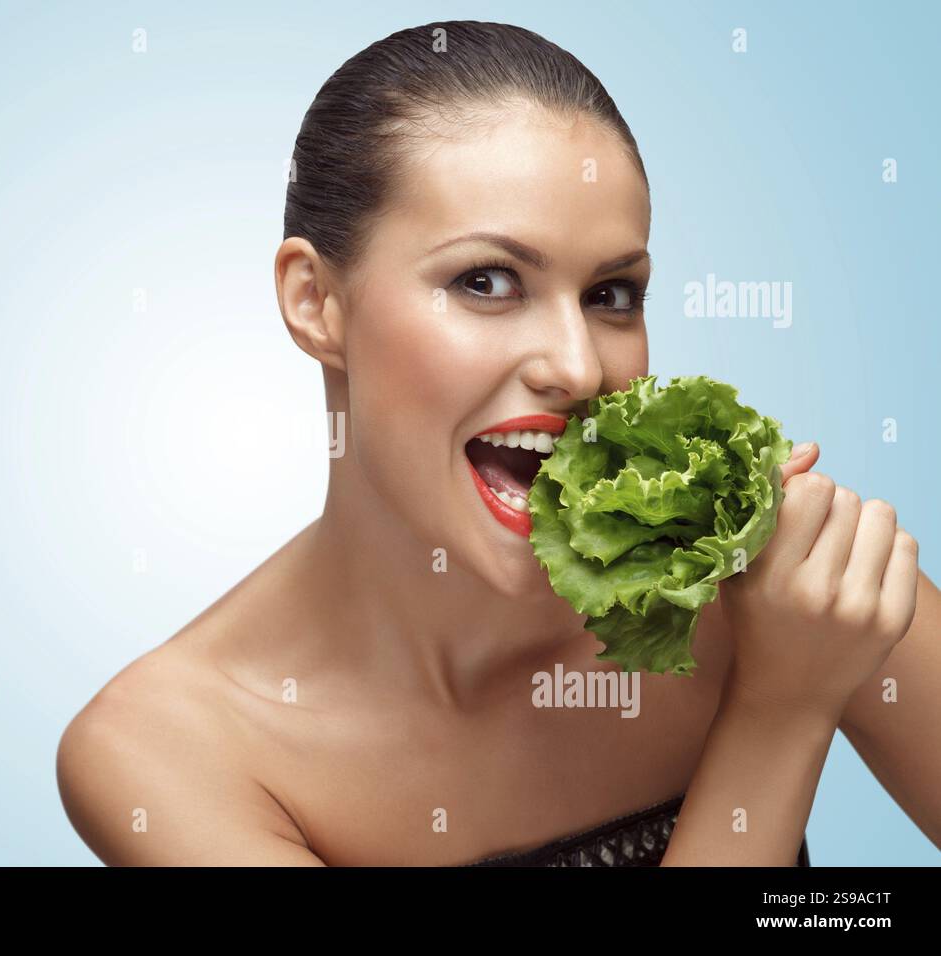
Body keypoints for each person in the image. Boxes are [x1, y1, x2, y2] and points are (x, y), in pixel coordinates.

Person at [56, 20, 940, 866]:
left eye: (611, 295)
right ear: (314, 301)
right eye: (487, 281)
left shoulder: (791, 585)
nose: (578, 366)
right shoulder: (166, 751)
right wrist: (781, 713)